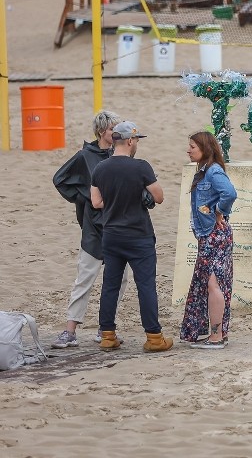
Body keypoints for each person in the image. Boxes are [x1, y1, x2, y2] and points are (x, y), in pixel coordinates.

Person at [90, 121, 173, 352]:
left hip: (112, 235)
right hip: (138, 235)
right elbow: (159, 197)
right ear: (129, 141)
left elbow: (96, 202)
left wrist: (117, 198)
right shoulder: (141, 167)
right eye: (136, 140)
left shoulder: (100, 168)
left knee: (110, 285)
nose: (136, 144)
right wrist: (135, 195)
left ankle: (107, 335)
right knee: (146, 285)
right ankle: (154, 337)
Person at [51, 111, 131, 349]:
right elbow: (60, 179)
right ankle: (70, 331)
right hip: (94, 228)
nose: (116, 133)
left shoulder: (123, 153)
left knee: (121, 279)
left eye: (118, 129)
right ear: (101, 131)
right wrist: (86, 198)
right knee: (85, 276)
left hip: (119, 225)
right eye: (112, 130)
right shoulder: (85, 156)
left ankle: (105, 328)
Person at [181, 131, 237, 349]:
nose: (188, 150)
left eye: (192, 146)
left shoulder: (213, 171)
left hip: (213, 235)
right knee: (213, 283)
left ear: (205, 148)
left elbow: (230, 193)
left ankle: (216, 337)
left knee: (213, 283)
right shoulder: (205, 171)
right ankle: (218, 333)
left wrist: (219, 211)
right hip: (210, 235)